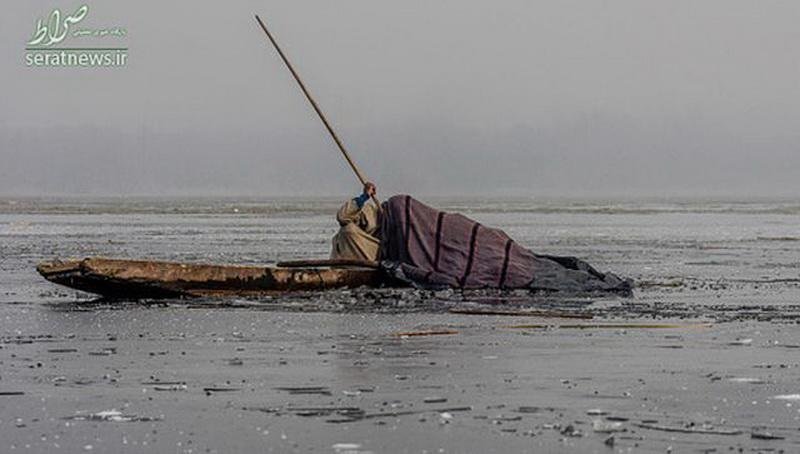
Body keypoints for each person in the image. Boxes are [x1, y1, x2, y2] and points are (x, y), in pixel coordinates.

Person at [330, 182, 380, 262]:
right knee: (348, 229)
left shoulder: (397, 234)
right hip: (349, 260)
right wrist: (365, 196)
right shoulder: (371, 213)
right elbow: (343, 216)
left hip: (373, 260)